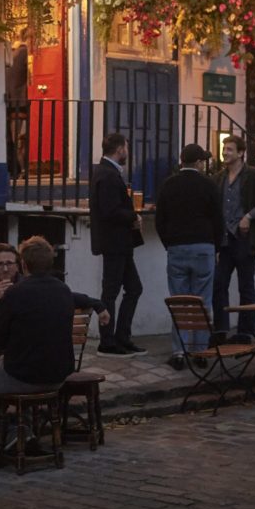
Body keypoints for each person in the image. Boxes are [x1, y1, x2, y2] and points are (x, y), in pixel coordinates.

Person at [0, 236, 109, 451]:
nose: (5, 267)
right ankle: (19, 428)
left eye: (10, 263)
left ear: (22, 265)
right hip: (59, 375)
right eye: (0, 264)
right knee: (1, 371)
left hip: (23, 375)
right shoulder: (61, 290)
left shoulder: (15, 294)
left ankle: (8, 427)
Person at [155, 143, 221, 369]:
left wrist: (168, 243)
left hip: (177, 247)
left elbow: (160, 219)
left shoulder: (168, 185)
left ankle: (179, 351)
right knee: (203, 300)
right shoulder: (209, 185)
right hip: (203, 246)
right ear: (200, 162)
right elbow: (218, 219)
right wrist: (216, 246)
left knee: (180, 300)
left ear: (181, 160)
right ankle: (200, 350)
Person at [214, 135, 255, 343]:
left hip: (244, 238)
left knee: (245, 286)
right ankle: (221, 330)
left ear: (241, 153)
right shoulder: (219, 178)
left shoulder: (254, 176)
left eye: (229, 149)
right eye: (224, 149)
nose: (225, 153)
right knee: (219, 284)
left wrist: (249, 216)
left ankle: (245, 333)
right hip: (224, 239)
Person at [90, 132, 145, 356]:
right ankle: (109, 341)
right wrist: (133, 216)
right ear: (120, 148)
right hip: (115, 243)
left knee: (133, 288)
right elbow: (110, 210)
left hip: (119, 244)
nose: (128, 153)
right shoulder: (109, 175)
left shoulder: (106, 172)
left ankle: (121, 337)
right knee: (112, 291)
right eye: (126, 148)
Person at [5, 30, 30, 180]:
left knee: (13, 138)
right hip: (20, 102)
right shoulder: (24, 53)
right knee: (21, 138)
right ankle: (22, 169)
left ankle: (15, 169)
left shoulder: (11, 54)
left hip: (10, 101)